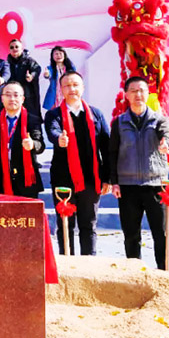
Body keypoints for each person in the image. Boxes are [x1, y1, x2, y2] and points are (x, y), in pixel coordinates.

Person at [106, 76, 169, 270]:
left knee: (161, 233)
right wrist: (114, 181)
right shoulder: (119, 123)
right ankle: (134, 272)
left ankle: (164, 271)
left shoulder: (158, 119)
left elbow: (168, 135)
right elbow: (112, 152)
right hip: (128, 187)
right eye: (133, 91)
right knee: (131, 234)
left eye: (142, 90)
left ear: (148, 93)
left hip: (155, 185)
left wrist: (166, 144)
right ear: (126, 95)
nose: (138, 94)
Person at [44, 71, 111, 257]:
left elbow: (106, 147)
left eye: (75, 85)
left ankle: (89, 263)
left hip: (91, 178)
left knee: (88, 224)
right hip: (63, 179)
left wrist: (107, 178)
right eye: (67, 85)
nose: (71, 89)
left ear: (82, 87)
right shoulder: (53, 114)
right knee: (65, 224)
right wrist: (59, 139)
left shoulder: (96, 114)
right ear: (61, 90)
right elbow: (52, 131)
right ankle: (67, 263)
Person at [0, 81, 45, 198]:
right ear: (2, 98)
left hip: (25, 180)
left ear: (23, 99)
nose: (12, 99)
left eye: (16, 95)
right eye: (8, 95)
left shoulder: (33, 120)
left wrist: (32, 144)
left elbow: (40, 145)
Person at [7, 38, 42, 124]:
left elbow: (37, 69)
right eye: (12, 47)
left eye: (17, 47)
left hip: (28, 97)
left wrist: (31, 76)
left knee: (32, 121)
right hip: (14, 97)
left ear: (21, 48)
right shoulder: (7, 63)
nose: (14, 49)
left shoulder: (29, 60)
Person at [42, 46, 76, 112]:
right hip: (55, 97)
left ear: (64, 55)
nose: (58, 56)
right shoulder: (50, 68)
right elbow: (48, 75)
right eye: (56, 54)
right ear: (52, 56)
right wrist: (47, 75)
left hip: (67, 94)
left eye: (60, 53)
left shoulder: (70, 68)